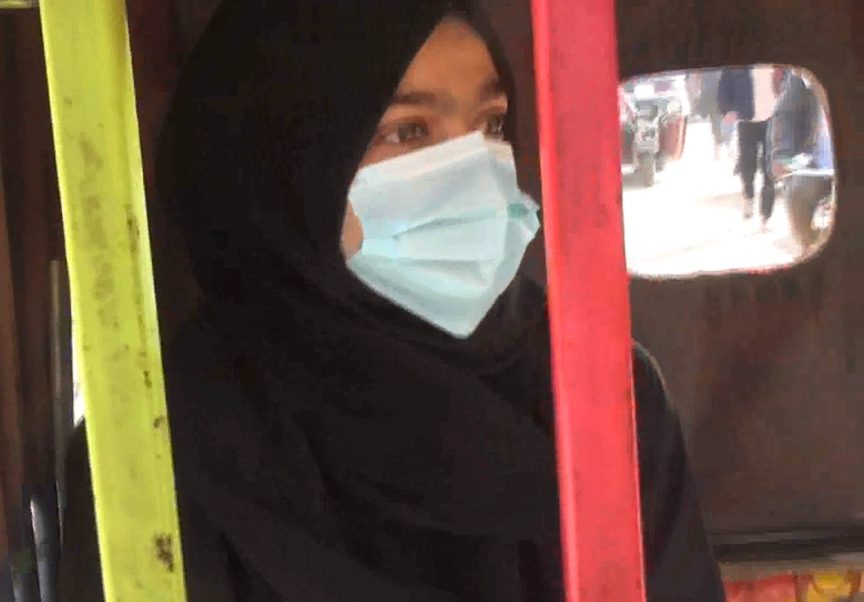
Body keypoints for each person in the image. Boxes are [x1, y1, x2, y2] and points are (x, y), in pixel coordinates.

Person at [63, 2, 726, 600]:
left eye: (492, 125)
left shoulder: (603, 396)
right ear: (286, 169)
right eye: (409, 133)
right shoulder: (156, 441)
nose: (475, 170)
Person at [718, 66, 781, 224]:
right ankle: (748, 195)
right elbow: (724, 86)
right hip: (746, 120)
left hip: (772, 118)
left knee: (769, 166)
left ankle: (766, 213)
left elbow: (785, 83)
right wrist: (727, 110)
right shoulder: (737, 65)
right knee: (747, 164)